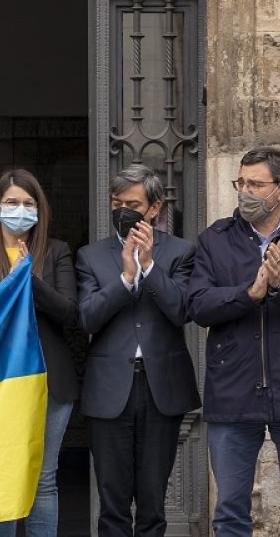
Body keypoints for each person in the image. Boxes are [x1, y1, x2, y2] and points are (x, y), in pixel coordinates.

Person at [188, 146, 280, 537]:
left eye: (256, 184)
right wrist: (249, 294)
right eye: (241, 182)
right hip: (233, 388)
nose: (245, 191)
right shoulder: (214, 239)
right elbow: (199, 305)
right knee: (230, 510)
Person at [0, 169, 78, 537]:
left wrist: (30, 278)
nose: (20, 210)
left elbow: (69, 312)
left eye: (28, 203)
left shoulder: (56, 251)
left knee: (43, 478)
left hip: (49, 379)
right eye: (12, 203)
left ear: (39, 209)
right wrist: (7, 287)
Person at [76, 164, 199, 537]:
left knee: (152, 502)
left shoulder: (181, 252)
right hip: (109, 390)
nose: (122, 209)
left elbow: (181, 310)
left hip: (161, 388)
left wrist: (147, 265)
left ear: (155, 208)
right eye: (117, 202)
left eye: (132, 202)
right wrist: (126, 278)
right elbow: (87, 318)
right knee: (112, 503)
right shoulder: (91, 256)